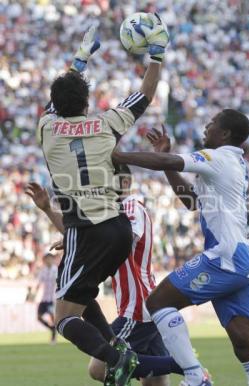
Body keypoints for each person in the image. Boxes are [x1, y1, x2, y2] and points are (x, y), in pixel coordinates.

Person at [36, 16, 169, 385]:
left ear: (56, 104)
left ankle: (117, 358)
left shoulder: (46, 128)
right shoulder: (107, 123)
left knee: (64, 317)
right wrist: (156, 56)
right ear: (87, 101)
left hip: (86, 229)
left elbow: (54, 103)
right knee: (81, 296)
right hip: (118, 228)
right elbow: (145, 95)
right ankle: (117, 345)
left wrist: (80, 59)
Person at [112, 113, 249, 386]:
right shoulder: (227, 162)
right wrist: (167, 162)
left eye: (212, 123)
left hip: (225, 257)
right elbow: (190, 201)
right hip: (242, 260)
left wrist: (120, 157)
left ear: (224, 134)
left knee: (157, 303)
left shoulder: (218, 158)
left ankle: (194, 376)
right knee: (246, 347)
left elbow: (170, 160)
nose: (206, 126)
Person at [26, 171, 182, 385]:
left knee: (99, 368)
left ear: (126, 181)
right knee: (155, 383)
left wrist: (86, 243)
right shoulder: (112, 213)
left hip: (137, 307)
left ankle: (185, 365)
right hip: (146, 304)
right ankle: (185, 365)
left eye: (109, 180)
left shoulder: (130, 207)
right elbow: (91, 236)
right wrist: (48, 210)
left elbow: (120, 239)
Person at [35, 253, 57, 344]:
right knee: (39, 317)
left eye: (49, 259)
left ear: (52, 259)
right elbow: (39, 282)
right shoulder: (43, 271)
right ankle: (52, 329)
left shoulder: (56, 270)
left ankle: (53, 338)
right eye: (46, 259)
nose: (48, 261)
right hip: (44, 298)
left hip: (52, 298)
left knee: (53, 318)